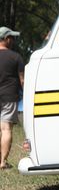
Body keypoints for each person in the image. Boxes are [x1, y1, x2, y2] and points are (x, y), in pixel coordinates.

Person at [0, 27, 25, 170]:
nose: (13, 41)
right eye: (12, 38)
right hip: (9, 96)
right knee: (6, 129)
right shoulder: (16, 57)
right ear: (6, 39)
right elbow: (22, 80)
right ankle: (3, 162)